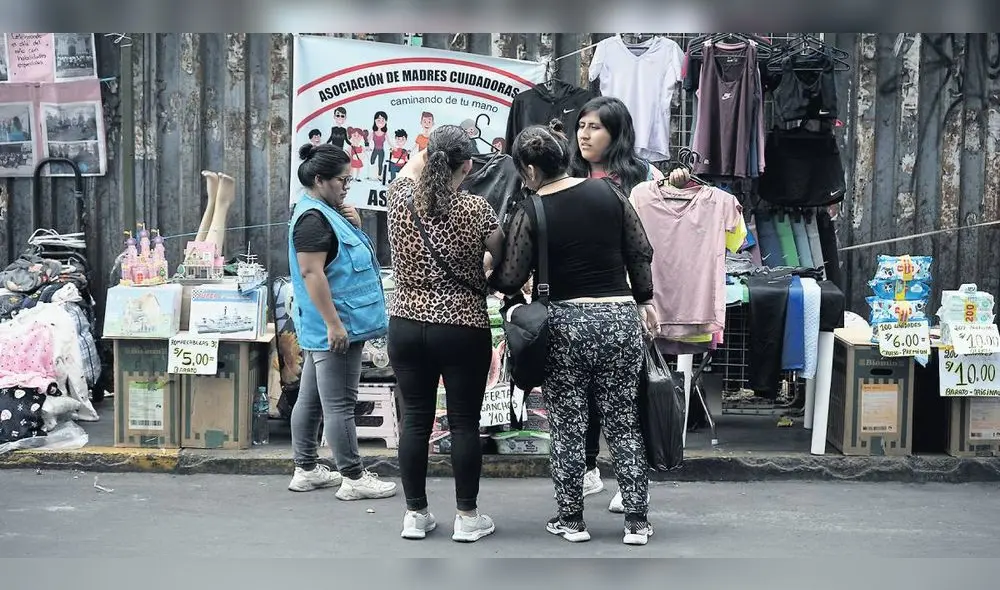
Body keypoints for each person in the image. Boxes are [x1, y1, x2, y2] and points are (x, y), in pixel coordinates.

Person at [490, 120, 658, 546]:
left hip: (565, 325)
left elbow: (511, 277)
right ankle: (636, 521)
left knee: (568, 423)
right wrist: (644, 298)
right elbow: (639, 248)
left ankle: (572, 520)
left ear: (529, 171)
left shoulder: (533, 210)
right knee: (623, 421)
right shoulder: (608, 190)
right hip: (619, 319)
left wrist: (491, 273)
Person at [568, 96, 687, 512]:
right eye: (581, 125)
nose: (585, 134)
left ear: (616, 133)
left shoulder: (641, 179)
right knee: (579, 396)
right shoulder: (568, 175)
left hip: (626, 301)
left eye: (595, 127)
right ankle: (584, 470)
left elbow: (648, 246)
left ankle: (629, 480)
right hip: (576, 301)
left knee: (627, 397)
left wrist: (645, 300)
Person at [386, 125, 504, 543]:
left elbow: (413, 167)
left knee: (414, 420)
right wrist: (483, 267)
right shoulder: (475, 208)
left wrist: (432, 148)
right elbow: (501, 254)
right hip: (461, 327)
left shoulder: (398, 198)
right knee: (464, 423)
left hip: (405, 323)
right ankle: (467, 518)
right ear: (468, 165)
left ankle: (415, 515)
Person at [285, 143, 398, 501]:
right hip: (335, 327)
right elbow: (311, 272)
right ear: (319, 179)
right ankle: (353, 476)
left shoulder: (322, 211)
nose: (346, 186)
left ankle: (306, 469)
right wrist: (335, 325)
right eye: (341, 181)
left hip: (332, 324)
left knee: (312, 398)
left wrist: (356, 223)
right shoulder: (313, 219)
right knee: (340, 404)